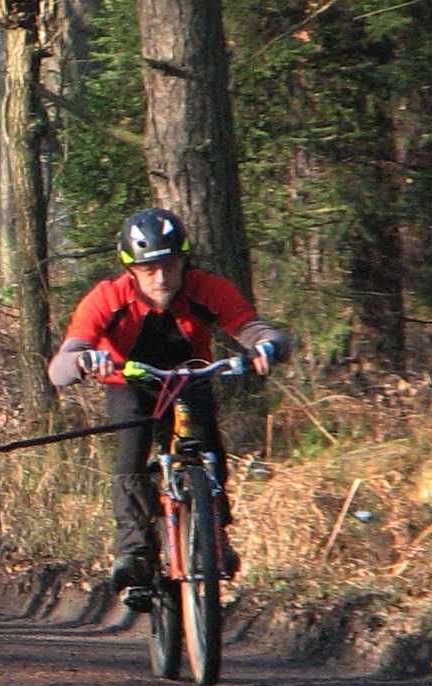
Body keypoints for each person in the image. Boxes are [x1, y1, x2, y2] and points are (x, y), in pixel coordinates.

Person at [47, 208, 291, 592]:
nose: (162, 279)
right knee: (131, 456)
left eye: (171, 266)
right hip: (131, 384)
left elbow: (251, 327)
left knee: (209, 449)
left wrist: (266, 345)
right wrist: (81, 360)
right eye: (149, 270)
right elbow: (60, 364)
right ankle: (134, 553)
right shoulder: (107, 298)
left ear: (185, 262)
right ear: (130, 269)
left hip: (188, 378)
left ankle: (214, 536)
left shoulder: (206, 288)